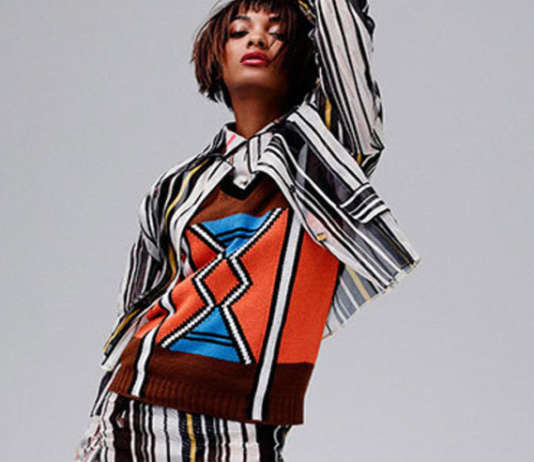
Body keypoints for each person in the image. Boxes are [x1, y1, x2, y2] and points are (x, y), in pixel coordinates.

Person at [74, 0, 421, 460]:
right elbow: (136, 311)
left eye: (277, 32)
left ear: (305, 53)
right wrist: (97, 421)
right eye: (239, 32)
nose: (257, 38)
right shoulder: (173, 187)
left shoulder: (325, 159)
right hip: (132, 407)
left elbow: (347, 42)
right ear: (216, 59)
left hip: (246, 424)